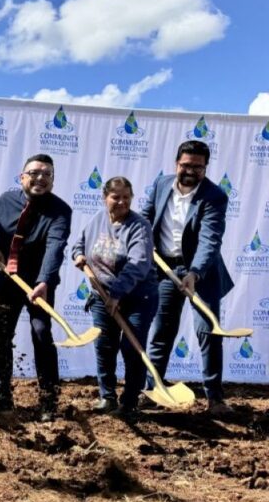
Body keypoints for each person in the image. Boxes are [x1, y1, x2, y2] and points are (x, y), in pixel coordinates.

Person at [141, 140, 233, 416]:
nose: (190, 171)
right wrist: (143, 240)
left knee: (208, 332)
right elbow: (146, 217)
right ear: (176, 163)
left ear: (205, 168)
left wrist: (194, 272)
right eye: (186, 165)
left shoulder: (215, 196)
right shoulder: (161, 185)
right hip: (165, 270)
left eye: (198, 167)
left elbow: (209, 240)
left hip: (200, 274)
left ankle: (215, 398)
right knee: (161, 332)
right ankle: (152, 390)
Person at [0, 153, 71, 422]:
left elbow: (55, 246)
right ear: (22, 177)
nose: (40, 178)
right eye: (34, 173)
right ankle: (2, 394)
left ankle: (48, 400)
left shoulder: (60, 210)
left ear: (53, 181)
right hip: (7, 280)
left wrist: (44, 280)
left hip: (38, 284)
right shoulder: (6, 200)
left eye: (47, 174)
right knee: (0, 335)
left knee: (42, 334)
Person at [72, 177, 158, 420]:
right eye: (115, 197)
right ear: (105, 197)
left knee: (132, 348)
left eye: (126, 197)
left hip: (138, 296)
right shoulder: (97, 220)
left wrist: (117, 294)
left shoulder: (139, 226)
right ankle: (107, 396)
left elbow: (138, 263)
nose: (121, 202)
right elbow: (79, 244)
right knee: (104, 346)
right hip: (102, 294)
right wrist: (79, 255)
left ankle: (129, 402)